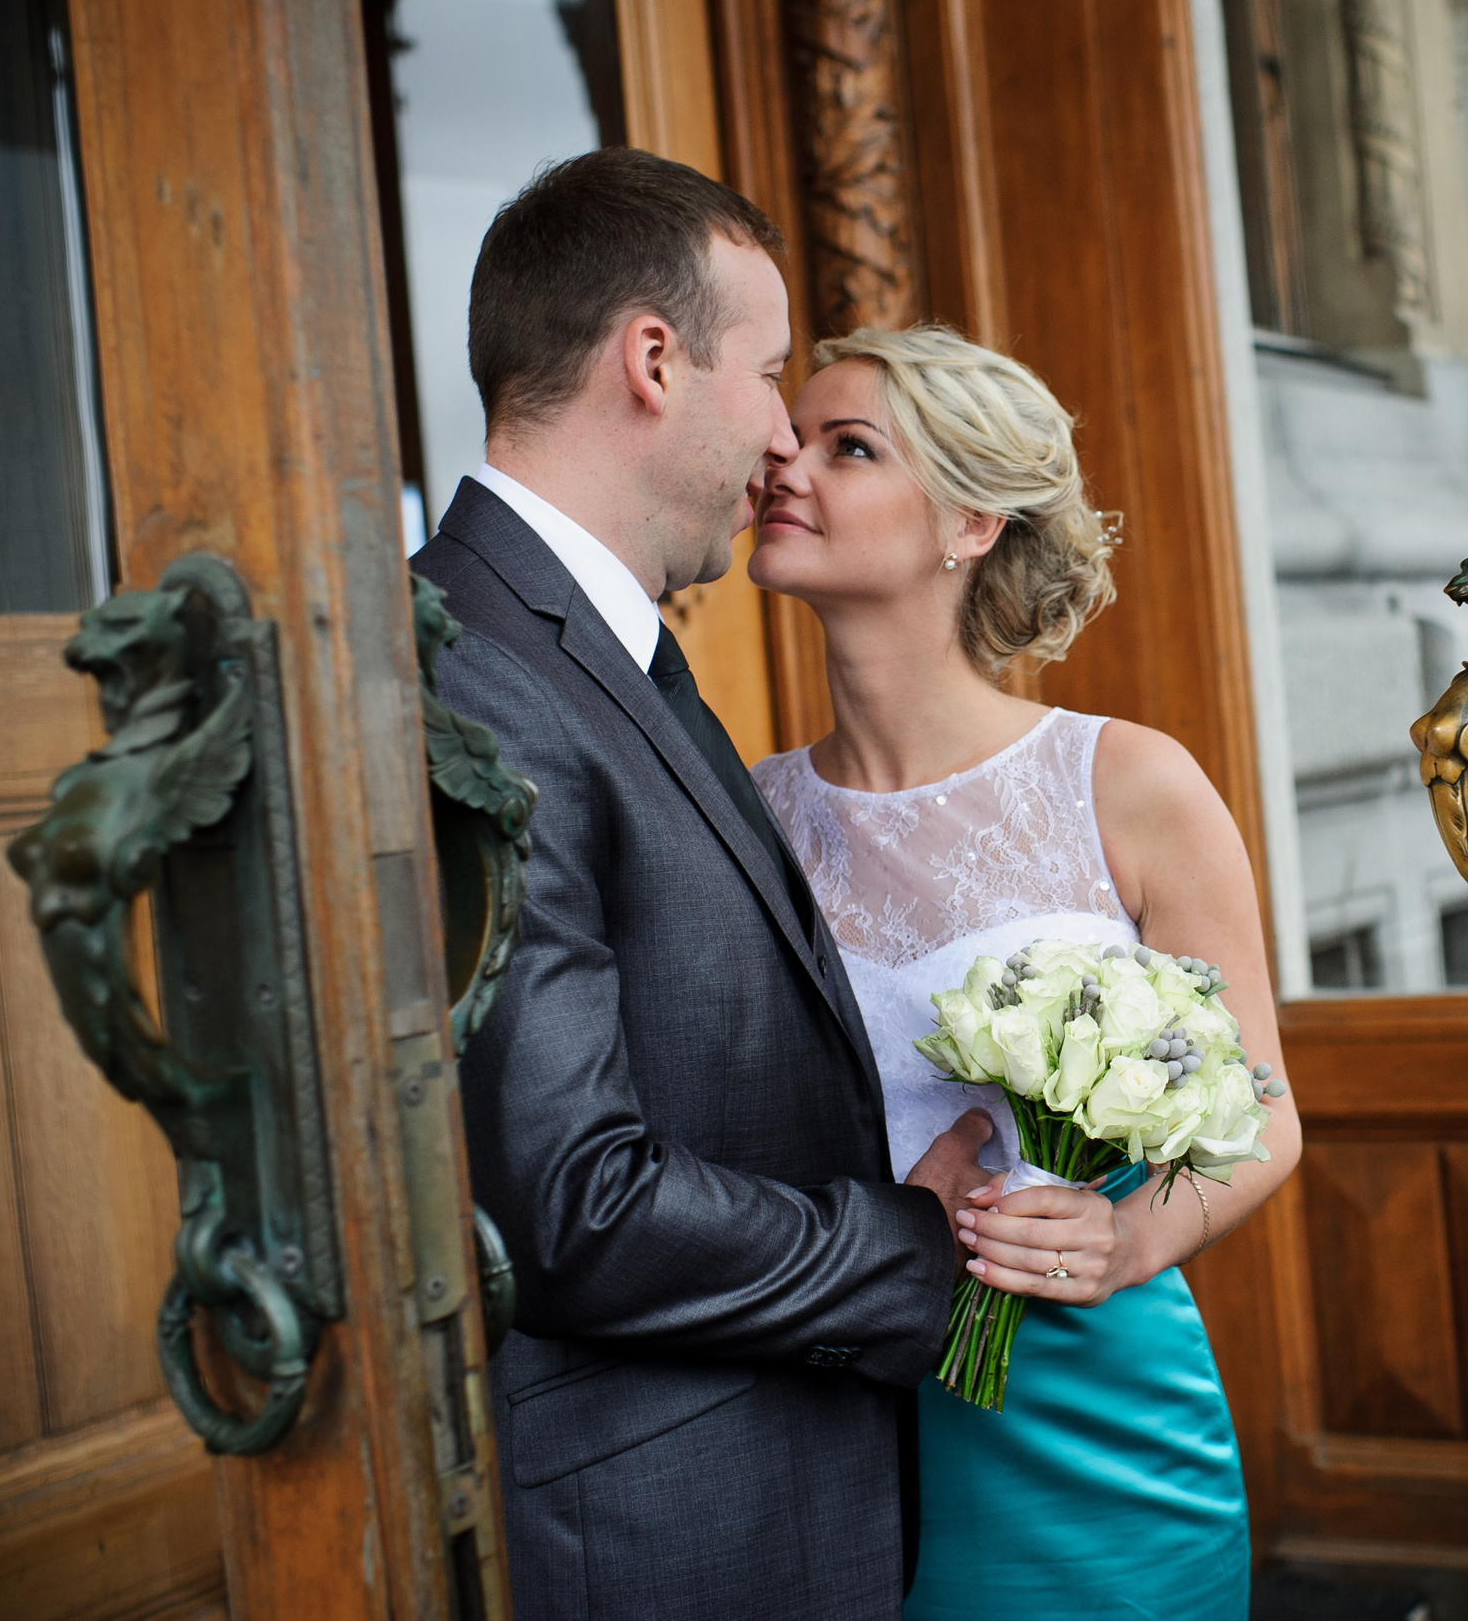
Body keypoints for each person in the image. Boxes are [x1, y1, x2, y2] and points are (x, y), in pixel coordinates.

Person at [411, 150, 986, 1620]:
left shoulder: (598, 651)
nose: (783, 436)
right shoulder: (477, 670)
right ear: (654, 361)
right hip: (663, 1541)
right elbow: (576, 1206)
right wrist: (908, 1248)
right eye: (772, 373)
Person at [748, 323, 1303, 1621]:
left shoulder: (1129, 782)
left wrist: (1124, 1238)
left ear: (971, 521)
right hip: (839, 1417)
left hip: (1099, 1415)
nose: (786, 465)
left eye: (848, 447)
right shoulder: (750, 818)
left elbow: (1266, 1114)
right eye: (788, 437)